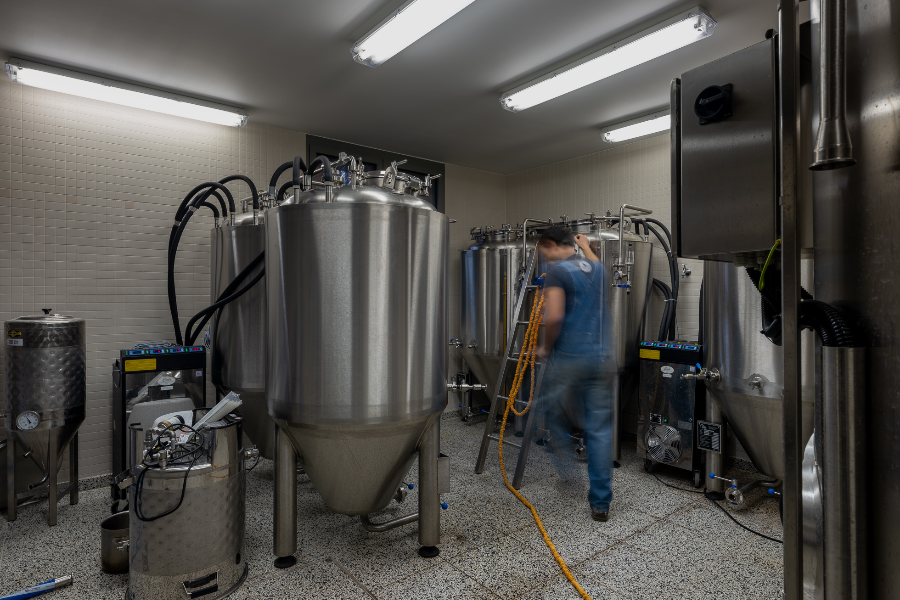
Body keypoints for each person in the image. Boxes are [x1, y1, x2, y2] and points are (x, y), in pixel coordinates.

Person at [535, 226, 616, 522]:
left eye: (544, 251)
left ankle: (569, 474)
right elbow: (594, 266)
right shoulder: (600, 270)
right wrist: (587, 247)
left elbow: (555, 316)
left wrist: (546, 347)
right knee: (600, 431)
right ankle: (600, 504)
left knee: (551, 412)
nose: (545, 258)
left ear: (550, 244)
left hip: (571, 358)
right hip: (603, 359)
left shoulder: (557, 273)